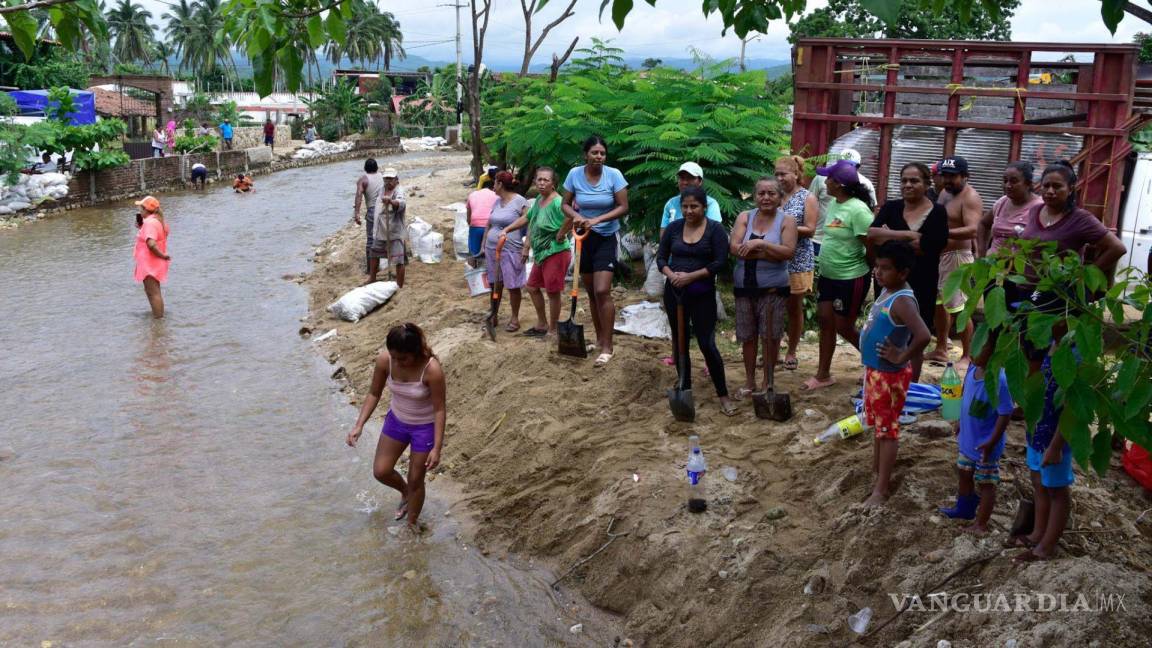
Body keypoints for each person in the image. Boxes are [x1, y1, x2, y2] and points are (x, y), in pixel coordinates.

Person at [1009, 161, 1126, 368]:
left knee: (1050, 352)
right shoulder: (1035, 211)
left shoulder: (1080, 218)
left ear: (1071, 189)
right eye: (1046, 186)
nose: (1050, 191)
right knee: (1027, 348)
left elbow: (1117, 248)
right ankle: (1030, 397)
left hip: (1059, 294)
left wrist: (1084, 274)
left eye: (1057, 186)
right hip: (1027, 290)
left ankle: (1046, 396)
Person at [346, 323, 446, 530]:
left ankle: (411, 524)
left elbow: (439, 409)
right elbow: (374, 393)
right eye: (395, 357)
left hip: (424, 428)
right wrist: (359, 425)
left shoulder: (432, 369)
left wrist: (436, 448)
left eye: (404, 358)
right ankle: (406, 492)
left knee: (416, 479)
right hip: (397, 421)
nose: (399, 362)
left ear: (416, 352)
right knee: (381, 471)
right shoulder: (385, 360)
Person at [859, 241, 931, 506]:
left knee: (887, 430)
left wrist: (901, 355)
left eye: (886, 268)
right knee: (880, 426)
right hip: (877, 373)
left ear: (903, 273)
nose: (878, 272)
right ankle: (877, 471)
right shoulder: (888, 290)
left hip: (888, 376)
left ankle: (881, 488)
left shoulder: (902, 300)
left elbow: (923, 335)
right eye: (876, 266)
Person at [867, 162, 950, 382]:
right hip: (889, 281)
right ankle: (882, 375)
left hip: (922, 280)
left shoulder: (938, 212)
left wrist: (891, 236)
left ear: (926, 184)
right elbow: (873, 234)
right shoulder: (891, 207)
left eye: (914, 181)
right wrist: (907, 236)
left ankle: (910, 385)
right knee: (886, 327)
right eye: (904, 180)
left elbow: (928, 247)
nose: (908, 185)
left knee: (916, 332)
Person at [657, 186, 736, 416]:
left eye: (694, 206)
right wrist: (672, 275)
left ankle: (723, 394)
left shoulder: (715, 230)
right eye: (685, 206)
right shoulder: (673, 228)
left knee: (706, 343)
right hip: (675, 293)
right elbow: (661, 257)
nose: (689, 211)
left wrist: (691, 276)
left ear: (704, 207)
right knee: (680, 342)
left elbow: (720, 261)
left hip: (701, 293)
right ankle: (685, 387)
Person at [804, 159, 874, 391]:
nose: (825, 182)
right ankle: (823, 374)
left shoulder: (858, 210)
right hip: (829, 275)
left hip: (850, 278)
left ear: (840, 184)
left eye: (829, 179)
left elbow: (870, 245)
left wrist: (870, 269)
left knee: (844, 326)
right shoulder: (835, 203)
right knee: (825, 321)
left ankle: (879, 365)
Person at [562, 135, 629, 367]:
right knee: (590, 292)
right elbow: (565, 204)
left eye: (602, 153)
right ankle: (600, 340)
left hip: (606, 237)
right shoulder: (574, 175)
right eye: (594, 153)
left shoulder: (614, 176)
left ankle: (608, 346)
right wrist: (578, 217)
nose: (599, 157)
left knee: (602, 291)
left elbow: (623, 206)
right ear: (586, 155)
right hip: (584, 239)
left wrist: (598, 219)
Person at [938, 332, 1013, 533]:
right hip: (968, 439)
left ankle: (981, 523)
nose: (974, 351)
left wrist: (992, 441)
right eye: (973, 345)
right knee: (964, 472)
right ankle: (964, 508)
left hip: (985, 446)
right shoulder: (972, 369)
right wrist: (961, 421)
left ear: (996, 352)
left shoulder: (1000, 381)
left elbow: (1005, 415)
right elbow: (965, 395)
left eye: (982, 348)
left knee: (986, 483)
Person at [730, 177, 796, 399]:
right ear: (755, 196)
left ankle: (768, 381)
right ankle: (750, 381)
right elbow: (735, 247)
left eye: (771, 194)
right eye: (761, 193)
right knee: (747, 336)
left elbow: (787, 252)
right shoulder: (745, 217)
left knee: (771, 336)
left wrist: (760, 244)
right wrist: (770, 253)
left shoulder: (786, 221)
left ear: (779, 197)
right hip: (743, 287)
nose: (766, 198)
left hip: (773, 289)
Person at [1011, 356, 1074, 561]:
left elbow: (1071, 407)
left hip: (1056, 439)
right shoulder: (1046, 343)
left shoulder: (1074, 356)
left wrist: (1056, 446)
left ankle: (1047, 546)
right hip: (1037, 432)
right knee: (1038, 482)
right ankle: (1038, 532)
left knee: (1056, 489)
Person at [501, 167, 572, 338]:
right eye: (539, 179)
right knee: (532, 287)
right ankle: (542, 323)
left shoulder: (557, 202)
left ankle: (553, 330)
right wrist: (509, 229)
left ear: (553, 183)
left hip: (556, 251)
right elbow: (529, 220)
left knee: (552, 292)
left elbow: (571, 218)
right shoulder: (540, 199)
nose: (541, 183)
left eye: (545, 180)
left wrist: (562, 233)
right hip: (541, 252)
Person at [927, 156, 981, 367]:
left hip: (957, 257)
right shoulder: (944, 193)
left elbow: (973, 229)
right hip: (940, 256)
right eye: (945, 175)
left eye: (953, 176)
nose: (947, 180)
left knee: (959, 307)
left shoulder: (970, 198)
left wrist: (941, 233)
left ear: (965, 176)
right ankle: (941, 349)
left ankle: (968, 355)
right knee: (939, 305)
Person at [776, 155, 816, 372]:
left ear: (796, 174)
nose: (779, 178)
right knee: (772, 306)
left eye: (783, 174)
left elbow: (810, 229)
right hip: (774, 259)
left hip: (797, 259)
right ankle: (772, 349)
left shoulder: (806, 197)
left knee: (793, 307)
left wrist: (784, 226)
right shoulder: (774, 196)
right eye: (777, 174)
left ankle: (791, 351)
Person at [804, 148, 877, 256]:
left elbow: (871, 214)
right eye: (842, 164)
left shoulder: (865, 188)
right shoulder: (824, 185)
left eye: (849, 166)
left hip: (845, 247)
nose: (826, 181)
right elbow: (809, 203)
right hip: (818, 239)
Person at [482, 171, 529, 332]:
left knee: (513, 284)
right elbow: (489, 224)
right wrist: (483, 244)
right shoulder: (496, 202)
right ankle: (493, 314)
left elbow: (529, 221)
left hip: (511, 248)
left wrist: (526, 246)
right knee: (495, 283)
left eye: (494, 183)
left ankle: (515, 317)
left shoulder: (519, 201)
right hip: (492, 248)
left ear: (500, 184)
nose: (493, 186)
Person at [979, 161, 1043, 257]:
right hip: (991, 267)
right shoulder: (1002, 202)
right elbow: (983, 224)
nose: (1008, 186)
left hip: (1020, 269)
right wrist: (981, 252)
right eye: (1005, 181)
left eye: (1014, 181)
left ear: (1028, 183)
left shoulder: (1040, 207)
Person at [658, 161, 722, 240]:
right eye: (682, 178)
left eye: (690, 178)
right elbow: (663, 238)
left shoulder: (710, 204)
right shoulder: (671, 204)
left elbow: (714, 235)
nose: (685, 182)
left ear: (700, 181)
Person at [368, 167, 408, 287]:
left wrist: (391, 201)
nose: (388, 181)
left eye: (391, 179)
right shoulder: (381, 189)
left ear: (397, 180)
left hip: (395, 230)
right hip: (381, 229)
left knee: (399, 260)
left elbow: (401, 203)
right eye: (386, 179)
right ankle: (372, 278)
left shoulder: (399, 190)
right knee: (374, 254)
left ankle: (399, 285)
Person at [133, 195, 171, 319]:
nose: (139, 210)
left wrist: (163, 255)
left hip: (150, 262)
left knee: (153, 293)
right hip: (155, 262)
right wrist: (141, 228)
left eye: (141, 208)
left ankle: (158, 321)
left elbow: (151, 244)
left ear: (145, 210)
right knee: (154, 292)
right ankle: (158, 318)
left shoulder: (149, 223)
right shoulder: (159, 221)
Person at [353, 158, 385, 275]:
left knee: (371, 240)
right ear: (376, 167)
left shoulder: (363, 179)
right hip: (385, 207)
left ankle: (371, 270)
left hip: (372, 210)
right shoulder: (382, 176)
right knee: (387, 236)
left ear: (365, 168)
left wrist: (356, 213)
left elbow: (358, 195)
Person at [465, 177, 498, 260]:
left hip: (475, 225)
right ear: (492, 187)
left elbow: (469, 216)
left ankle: (475, 268)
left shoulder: (472, 195)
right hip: (491, 226)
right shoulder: (496, 195)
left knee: (474, 253)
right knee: (491, 253)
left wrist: (471, 225)